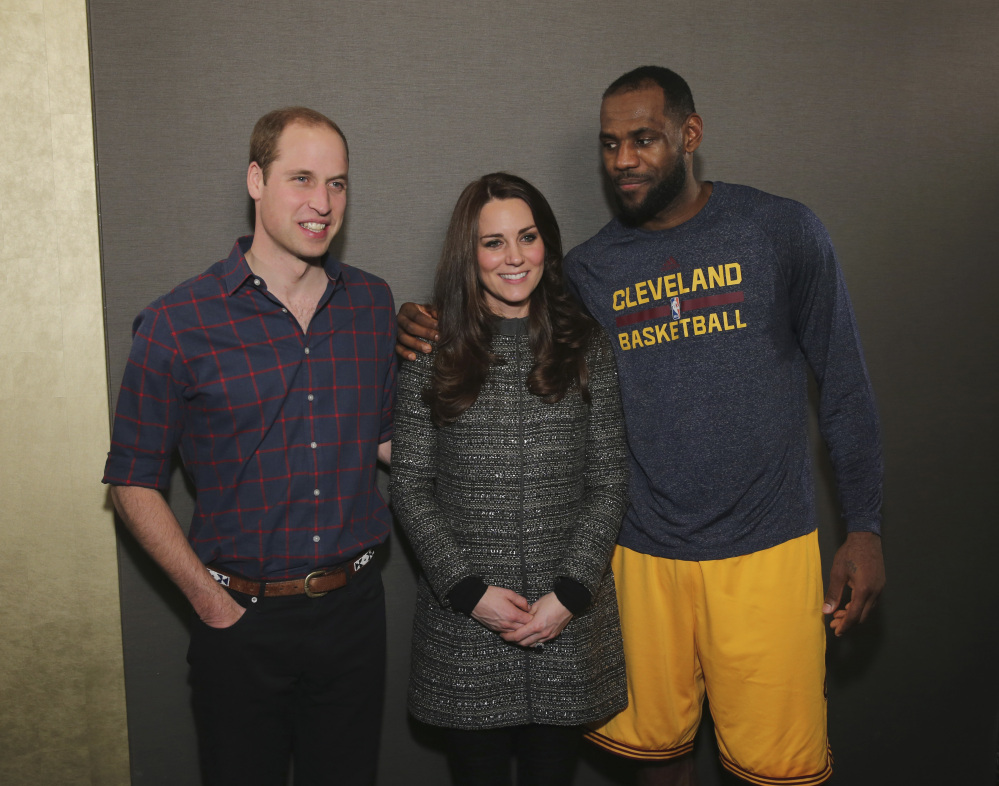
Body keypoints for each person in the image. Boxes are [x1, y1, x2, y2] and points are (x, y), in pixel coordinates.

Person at [395, 67, 885, 786]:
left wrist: (865, 526)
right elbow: (505, 311)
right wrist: (425, 322)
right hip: (641, 559)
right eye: (609, 144)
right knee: (656, 764)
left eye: (643, 138)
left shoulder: (780, 231)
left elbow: (844, 385)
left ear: (689, 136)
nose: (623, 158)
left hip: (766, 550)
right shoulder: (590, 271)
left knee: (779, 769)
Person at [103, 107, 396, 785]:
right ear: (255, 181)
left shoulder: (372, 306)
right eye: (301, 178)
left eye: (338, 184)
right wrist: (210, 603)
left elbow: (384, 439)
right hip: (240, 623)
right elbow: (131, 480)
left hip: (354, 614)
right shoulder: (178, 323)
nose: (321, 203)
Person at [390, 172, 629, 786]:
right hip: (466, 630)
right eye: (493, 243)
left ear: (547, 242)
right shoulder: (430, 350)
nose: (514, 257)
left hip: (567, 628)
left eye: (526, 237)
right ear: (468, 255)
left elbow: (609, 478)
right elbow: (411, 486)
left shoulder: (586, 344)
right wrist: (469, 592)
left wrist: (569, 596)